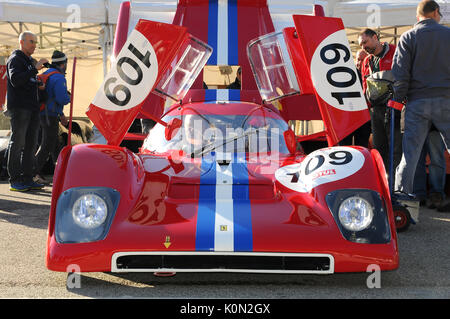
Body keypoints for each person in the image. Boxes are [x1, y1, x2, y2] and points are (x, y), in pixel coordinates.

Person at [390, 0, 450, 212]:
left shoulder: (408, 37)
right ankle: (436, 194)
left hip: (417, 102)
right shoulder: (448, 34)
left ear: (418, 17)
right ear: (435, 12)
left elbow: (399, 74)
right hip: (446, 100)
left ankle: (401, 201)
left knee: (410, 156)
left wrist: (397, 100)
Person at [6, 31, 48, 191]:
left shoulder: (29, 61)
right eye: (31, 41)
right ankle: (15, 180)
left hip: (32, 108)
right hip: (20, 108)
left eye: (36, 42)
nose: (34, 45)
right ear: (22, 42)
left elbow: (26, 81)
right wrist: (34, 69)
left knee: (31, 144)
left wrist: (38, 84)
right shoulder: (15, 59)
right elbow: (16, 80)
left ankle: (28, 178)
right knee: (17, 143)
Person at [358, 28, 402, 178]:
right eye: (361, 45)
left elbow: (405, 78)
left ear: (375, 37)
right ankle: (383, 183)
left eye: (365, 42)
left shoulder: (396, 52)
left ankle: (396, 186)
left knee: (396, 148)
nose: (363, 46)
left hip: (395, 108)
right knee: (379, 148)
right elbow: (365, 87)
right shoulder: (366, 61)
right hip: (375, 111)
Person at [34, 50, 71, 184]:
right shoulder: (59, 78)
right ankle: (33, 172)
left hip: (42, 114)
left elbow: (49, 97)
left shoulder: (45, 74)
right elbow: (61, 98)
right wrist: (69, 98)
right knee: (47, 145)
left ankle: (60, 172)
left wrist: (61, 114)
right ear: (63, 64)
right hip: (50, 115)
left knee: (55, 144)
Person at [340, 49, 371, 147]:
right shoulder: (347, 74)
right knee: (344, 149)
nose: (359, 63)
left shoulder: (371, 74)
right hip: (347, 119)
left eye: (362, 60)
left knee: (362, 148)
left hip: (364, 119)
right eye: (358, 59)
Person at [413, 128, 446, 208]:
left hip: (436, 124)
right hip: (417, 123)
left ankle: (436, 194)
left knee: (436, 158)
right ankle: (418, 194)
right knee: (417, 160)